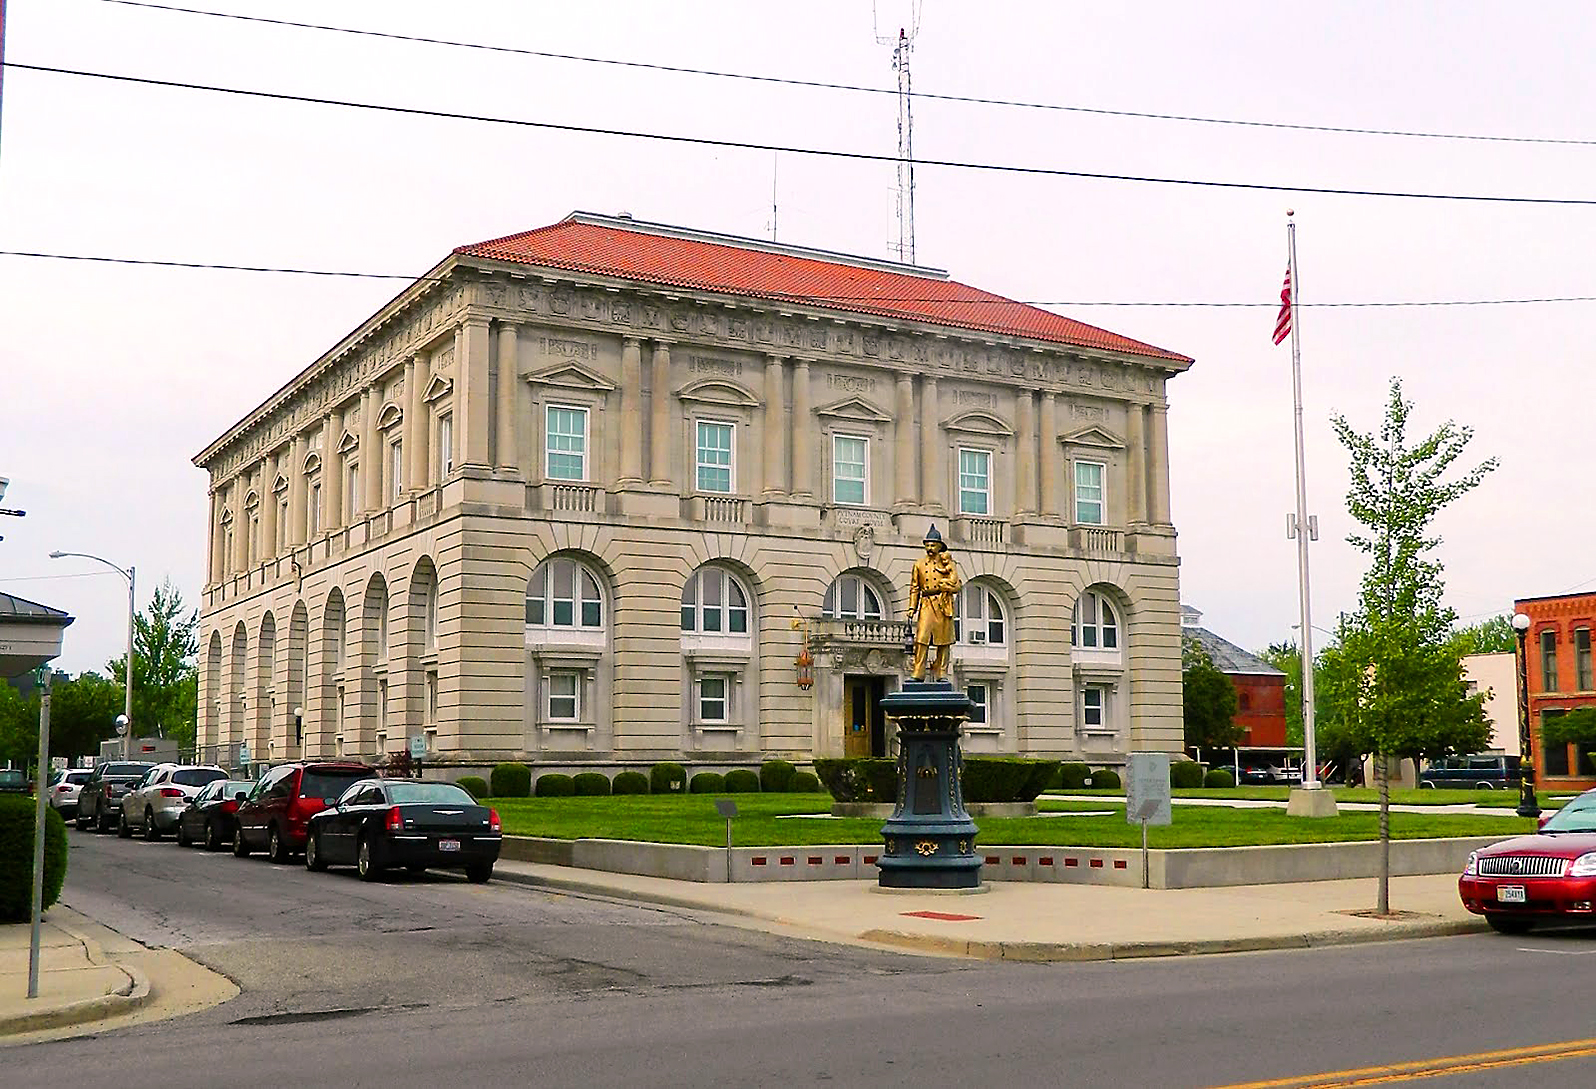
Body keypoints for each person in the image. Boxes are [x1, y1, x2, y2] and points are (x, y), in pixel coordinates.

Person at [908, 525, 961, 681]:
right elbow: (914, 587)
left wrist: (947, 587)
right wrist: (912, 607)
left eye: (933, 545)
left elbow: (957, 584)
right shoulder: (918, 564)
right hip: (926, 603)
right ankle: (918, 672)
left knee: (944, 641)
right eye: (928, 545)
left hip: (942, 603)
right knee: (921, 638)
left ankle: (941, 672)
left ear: (939, 546)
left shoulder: (947, 563)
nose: (930, 548)